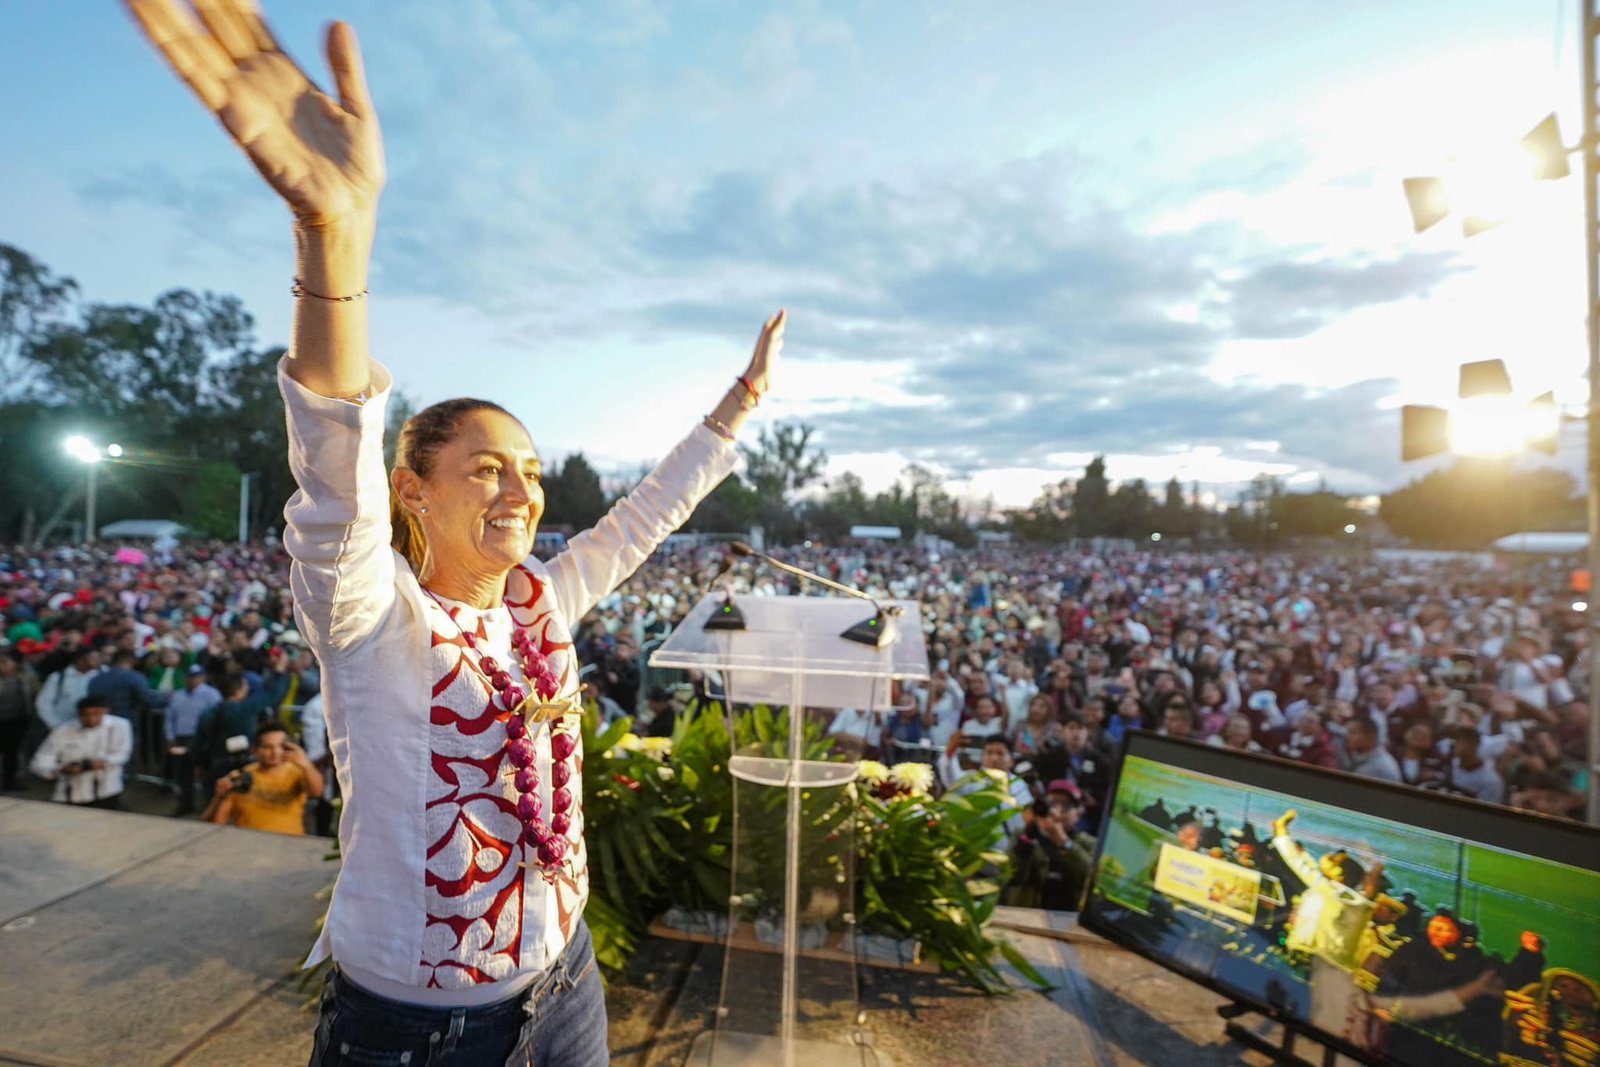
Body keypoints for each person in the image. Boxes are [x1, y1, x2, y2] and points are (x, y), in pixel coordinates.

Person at [126, 4, 780, 1061]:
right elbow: (331, 470)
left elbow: (645, 516)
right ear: (411, 491)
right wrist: (330, 239)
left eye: (529, 470)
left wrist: (733, 417)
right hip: (420, 1027)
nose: (520, 490)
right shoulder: (370, 613)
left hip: (564, 979)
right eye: (486, 467)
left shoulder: (543, 603)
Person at [203, 722, 325, 835]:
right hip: (250, 848)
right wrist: (218, 797)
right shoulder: (240, 777)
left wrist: (306, 765)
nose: (276, 752)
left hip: (290, 846)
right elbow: (214, 824)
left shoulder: (298, 772)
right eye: (268, 747)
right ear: (255, 750)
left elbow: (316, 792)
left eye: (281, 746)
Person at [29, 693, 133, 809]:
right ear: (78, 714)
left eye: (96, 714)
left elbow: (123, 754)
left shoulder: (120, 726)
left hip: (106, 791)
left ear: (105, 711)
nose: (90, 719)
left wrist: (102, 762)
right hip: (71, 794)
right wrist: (60, 769)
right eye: (85, 715)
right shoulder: (63, 731)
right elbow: (39, 762)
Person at [165, 663, 222, 815]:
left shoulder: (212, 695)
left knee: (205, 772)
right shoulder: (178, 695)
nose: (192, 680)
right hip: (182, 738)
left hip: (203, 738)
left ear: (202, 678)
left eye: (196, 677)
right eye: (190, 677)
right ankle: (185, 804)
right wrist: (170, 737)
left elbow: (217, 718)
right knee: (183, 773)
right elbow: (170, 718)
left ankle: (208, 806)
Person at [0, 651, 40, 790]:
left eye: (5, 662)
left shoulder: (26, 677)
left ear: (16, 664)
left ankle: (9, 782)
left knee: (12, 753)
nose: (1, 666)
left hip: (16, 721)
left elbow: (35, 694)